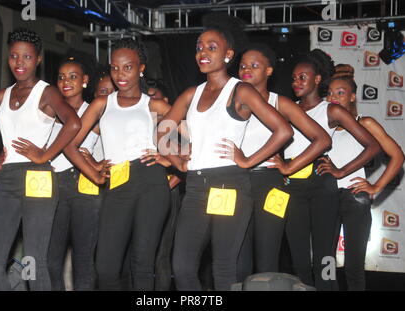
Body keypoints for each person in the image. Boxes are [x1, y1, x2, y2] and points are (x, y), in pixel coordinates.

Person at [158, 19, 293, 291]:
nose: (202, 53)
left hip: (228, 185)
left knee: (223, 267)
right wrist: (178, 161)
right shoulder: (191, 94)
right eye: (199, 47)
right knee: (182, 267)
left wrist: (247, 160)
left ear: (228, 55)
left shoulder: (240, 90)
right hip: (195, 186)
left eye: (211, 47)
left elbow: (283, 130)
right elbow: (163, 130)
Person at [0, 28, 81, 291]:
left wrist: (45, 154)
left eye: (27, 57)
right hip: (8, 179)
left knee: (34, 260)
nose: (19, 63)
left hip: (38, 177)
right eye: (14, 56)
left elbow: (73, 123)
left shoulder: (47, 92)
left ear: (38, 59)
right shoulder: (2, 96)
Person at [63, 38, 172, 291]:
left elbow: (188, 137)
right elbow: (71, 145)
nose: (120, 74)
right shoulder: (103, 104)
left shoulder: (153, 105)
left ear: (141, 68)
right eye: (114, 67)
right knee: (105, 267)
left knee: (142, 263)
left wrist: (168, 159)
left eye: (127, 67)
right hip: (117, 185)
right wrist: (94, 173)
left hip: (150, 182)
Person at [271, 49, 380, 290]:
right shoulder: (287, 109)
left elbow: (372, 146)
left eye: (302, 77)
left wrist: (341, 171)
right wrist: (278, 161)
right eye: (293, 78)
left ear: (317, 79)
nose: (296, 82)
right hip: (293, 188)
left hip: (321, 187)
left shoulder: (331, 110)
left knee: (325, 258)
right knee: (299, 259)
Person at [237, 44, 332, 275]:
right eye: (242, 66)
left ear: (269, 71)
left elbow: (322, 139)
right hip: (236, 181)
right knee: (237, 257)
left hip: (271, 185)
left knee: (268, 256)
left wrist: (289, 166)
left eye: (254, 65)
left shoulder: (281, 103)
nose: (246, 69)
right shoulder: (230, 102)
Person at [317, 65, 404, 290]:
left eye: (340, 93)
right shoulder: (324, 127)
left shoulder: (365, 123)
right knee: (325, 261)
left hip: (354, 197)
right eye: (329, 93)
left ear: (353, 96)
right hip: (325, 197)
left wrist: (375, 186)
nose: (333, 98)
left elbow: (397, 156)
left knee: (353, 265)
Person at [46, 56, 102, 291]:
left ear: (85, 81)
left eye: (73, 76)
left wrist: (100, 165)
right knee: (51, 261)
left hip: (85, 186)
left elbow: (110, 146)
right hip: (54, 186)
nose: (66, 82)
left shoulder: (96, 112)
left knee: (83, 262)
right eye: (61, 77)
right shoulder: (48, 112)